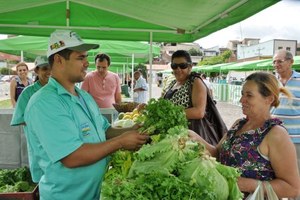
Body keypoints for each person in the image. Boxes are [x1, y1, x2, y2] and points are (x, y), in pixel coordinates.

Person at [23, 30, 149, 200]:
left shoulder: (84, 96)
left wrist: (135, 129)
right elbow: (72, 156)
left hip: (95, 193)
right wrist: (121, 142)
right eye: (80, 58)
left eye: (86, 57)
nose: (87, 63)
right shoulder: (44, 103)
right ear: (59, 60)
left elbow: (104, 131)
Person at [189, 72, 300, 199]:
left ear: (269, 99)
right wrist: (195, 138)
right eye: (242, 94)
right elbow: (217, 154)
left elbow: (292, 189)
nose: (242, 100)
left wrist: (247, 184)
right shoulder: (238, 124)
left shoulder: (276, 134)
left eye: (249, 95)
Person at [162, 50, 226, 145]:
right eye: (174, 66)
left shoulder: (195, 82)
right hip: (174, 135)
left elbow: (199, 112)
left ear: (190, 66)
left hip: (192, 137)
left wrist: (169, 113)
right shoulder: (172, 84)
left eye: (182, 66)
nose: (178, 69)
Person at [271, 50, 300, 175]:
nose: (276, 64)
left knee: (296, 173)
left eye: (280, 61)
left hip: (295, 138)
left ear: (291, 62)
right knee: (275, 173)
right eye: (274, 62)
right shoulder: (270, 81)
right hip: (273, 137)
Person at [11, 55, 51, 126]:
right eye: (45, 69)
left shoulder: (58, 89)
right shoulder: (28, 92)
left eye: (51, 69)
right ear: (36, 71)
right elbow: (20, 118)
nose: (49, 72)